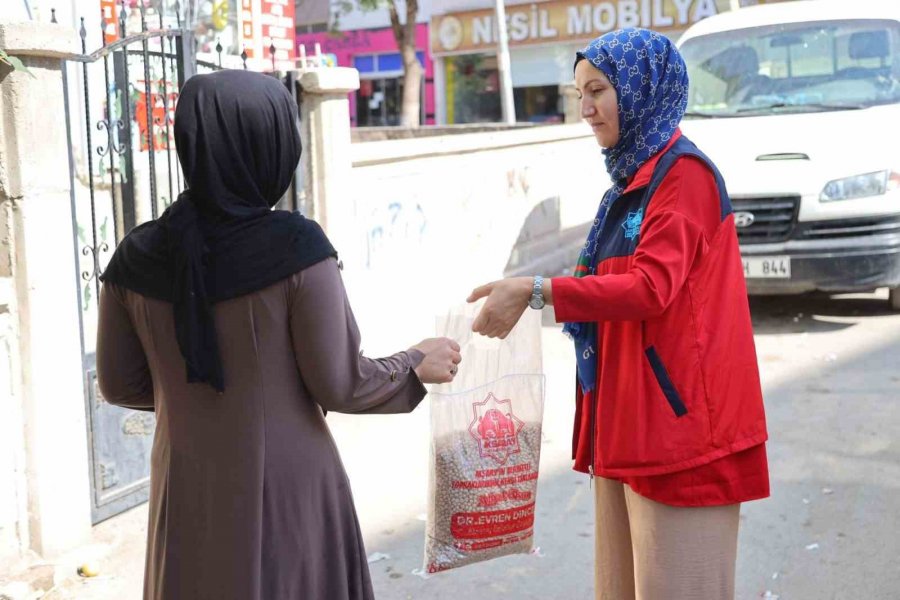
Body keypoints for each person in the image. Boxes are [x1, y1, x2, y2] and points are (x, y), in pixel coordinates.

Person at [96, 69, 460, 600]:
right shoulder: (295, 248)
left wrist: (198, 399)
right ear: (271, 145)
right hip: (288, 490)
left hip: (188, 484)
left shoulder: (138, 255)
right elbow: (340, 383)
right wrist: (414, 363)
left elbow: (119, 383)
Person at [468, 29, 769, 600]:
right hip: (627, 422)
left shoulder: (683, 177)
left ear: (639, 89)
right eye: (578, 94)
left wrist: (536, 291)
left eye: (598, 91)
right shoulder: (630, 183)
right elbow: (603, 288)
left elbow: (650, 288)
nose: (585, 109)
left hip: (680, 435)